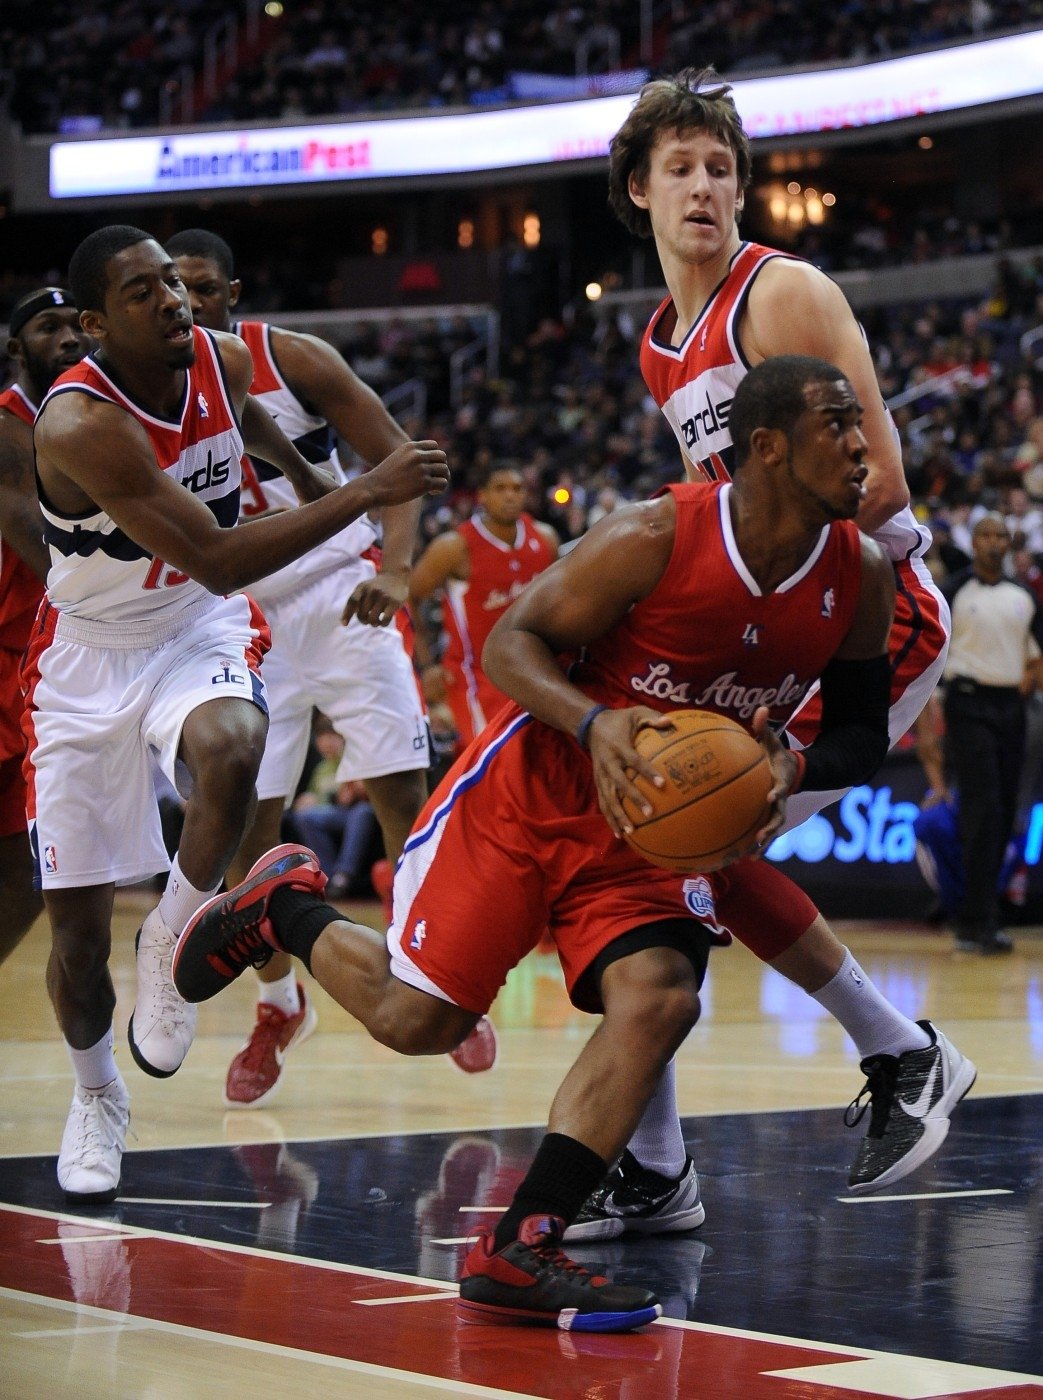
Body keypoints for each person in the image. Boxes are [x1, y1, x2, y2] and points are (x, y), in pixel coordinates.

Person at [173, 357, 974, 1332]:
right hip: (534, 792)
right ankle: (281, 905)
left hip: (647, 835)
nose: (862, 447)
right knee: (414, 1020)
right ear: (766, 446)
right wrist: (596, 726)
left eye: (859, 426)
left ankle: (526, 1241)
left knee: (660, 996)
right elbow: (513, 643)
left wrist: (786, 768)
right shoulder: (654, 533)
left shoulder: (860, 571)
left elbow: (855, 726)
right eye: (836, 426)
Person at [573, 65, 958, 1238]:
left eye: (721, 169)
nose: (704, 188)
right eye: (679, 169)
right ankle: (864, 1064)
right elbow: (721, 510)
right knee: (657, 826)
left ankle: (680, 1152)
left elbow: (875, 481)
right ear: (635, 189)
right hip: (771, 609)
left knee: (672, 835)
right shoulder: (659, 343)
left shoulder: (778, 293)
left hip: (863, 611)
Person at [28, 224, 448, 1203]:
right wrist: (359, 495)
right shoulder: (79, 424)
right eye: (143, 292)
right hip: (91, 660)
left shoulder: (217, 355)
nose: (173, 300)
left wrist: (303, 475)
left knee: (236, 743)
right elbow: (219, 549)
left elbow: (248, 424)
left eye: (175, 283)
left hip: (196, 628)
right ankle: (96, 1096)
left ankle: (174, 939)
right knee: (77, 947)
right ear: (95, 323)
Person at [166, 229, 496, 1100]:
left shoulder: (293, 358)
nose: (187, 303)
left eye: (201, 288)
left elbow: (398, 461)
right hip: (241, 614)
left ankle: (439, 966)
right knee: (243, 820)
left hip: (341, 590)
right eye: (173, 289)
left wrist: (393, 567)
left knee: (401, 793)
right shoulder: (151, 389)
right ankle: (278, 1002)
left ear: (230, 292)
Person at [0, 288, 91, 965]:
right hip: (15, 656)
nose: (66, 337)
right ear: (15, 347)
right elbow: (57, 561)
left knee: (33, 864)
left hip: (43, 668)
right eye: (46, 326)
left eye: (73, 323)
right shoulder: (7, 430)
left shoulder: (92, 418)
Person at [940, 512, 1043, 952]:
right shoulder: (954, 591)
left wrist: (1028, 678)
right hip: (967, 703)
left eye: (1000, 535)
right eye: (985, 535)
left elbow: (1034, 653)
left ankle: (981, 915)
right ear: (974, 542)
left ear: (1008, 542)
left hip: (1010, 707)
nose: (993, 543)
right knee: (982, 809)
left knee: (1003, 811)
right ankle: (973, 920)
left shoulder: (1024, 595)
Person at [409, 461, 558, 751]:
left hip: (534, 667)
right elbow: (409, 597)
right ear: (483, 496)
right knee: (491, 766)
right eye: (500, 489)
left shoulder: (545, 538)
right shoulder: (454, 547)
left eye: (517, 489)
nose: (510, 496)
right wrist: (426, 666)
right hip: (475, 676)